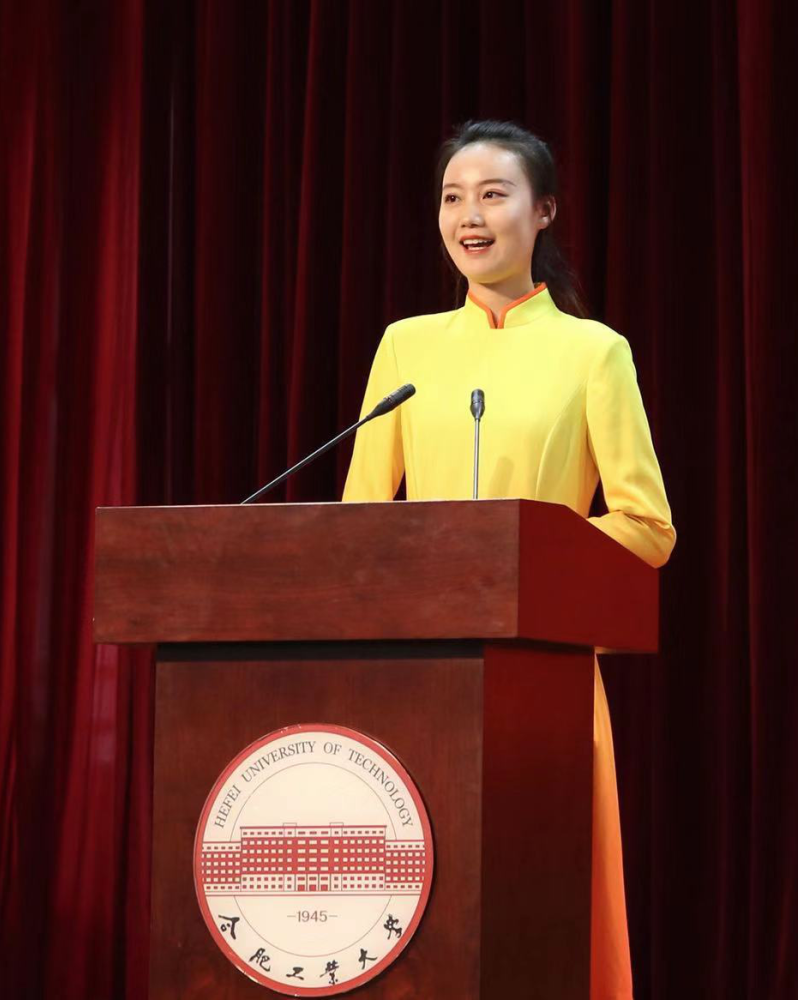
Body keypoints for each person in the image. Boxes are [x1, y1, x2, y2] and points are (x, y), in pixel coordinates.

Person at [342, 119, 676, 1000]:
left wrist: (524, 550)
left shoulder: (594, 352)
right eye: (453, 197)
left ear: (544, 211)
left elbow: (648, 526)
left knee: (542, 910)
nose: (470, 216)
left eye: (494, 195)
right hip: (415, 671)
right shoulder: (405, 346)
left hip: (546, 670)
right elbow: (359, 523)